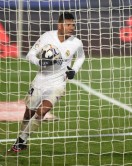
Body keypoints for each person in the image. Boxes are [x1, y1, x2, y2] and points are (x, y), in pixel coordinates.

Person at [9, 12, 85, 152]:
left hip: (58, 84)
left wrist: (74, 70)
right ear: (60, 25)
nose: (72, 27)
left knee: (42, 111)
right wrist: (40, 62)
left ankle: (21, 140)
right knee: (28, 113)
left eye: (73, 24)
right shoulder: (46, 37)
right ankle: (22, 138)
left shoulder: (76, 42)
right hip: (40, 81)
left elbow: (81, 57)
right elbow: (30, 54)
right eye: (68, 24)